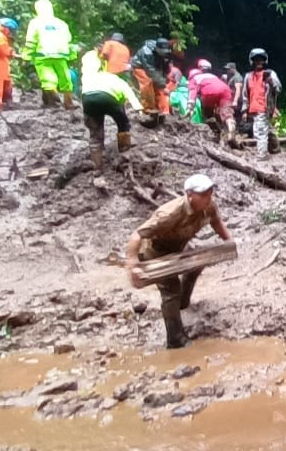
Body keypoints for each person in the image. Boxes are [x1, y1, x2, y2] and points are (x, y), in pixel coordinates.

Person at [125, 174, 231, 349]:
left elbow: (217, 222)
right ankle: (175, 338)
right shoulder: (169, 213)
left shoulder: (209, 206)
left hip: (179, 246)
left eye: (210, 192)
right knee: (170, 288)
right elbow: (137, 235)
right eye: (203, 194)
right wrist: (133, 265)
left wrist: (229, 241)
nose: (208, 197)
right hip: (155, 251)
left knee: (197, 264)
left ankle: (182, 303)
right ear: (190, 195)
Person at [79, 50, 143, 173]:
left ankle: (97, 167)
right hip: (109, 99)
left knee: (95, 134)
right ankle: (125, 153)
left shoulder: (88, 78)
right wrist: (138, 107)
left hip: (88, 99)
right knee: (123, 124)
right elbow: (128, 91)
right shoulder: (113, 77)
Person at [23, 0, 74, 109]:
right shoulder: (61, 23)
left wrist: (27, 56)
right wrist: (70, 55)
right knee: (65, 79)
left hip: (43, 55)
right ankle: (69, 103)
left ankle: (54, 104)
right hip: (61, 55)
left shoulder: (35, 23)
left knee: (48, 80)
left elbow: (31, 41)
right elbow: (68, 40)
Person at [239, 48, 282, 159]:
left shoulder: (270, 74)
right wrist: (244, 110)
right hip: (253, 107)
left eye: (261, 60)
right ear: (252, 61)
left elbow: (278, 89)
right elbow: (245, 94)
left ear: (264, 61)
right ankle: (275, 148)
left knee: (259, 131)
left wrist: (271, 82)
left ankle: (262, 154)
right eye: (256, 60)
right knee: (265, 128)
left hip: (264, 107)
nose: (259, 62)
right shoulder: (248, 76)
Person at [186, 60, 236, 145]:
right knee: (227, 113)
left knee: (207, 113)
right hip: (225, 90)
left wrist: (190, 107)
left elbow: (192, 93)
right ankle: (230, 126)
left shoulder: (194, 79)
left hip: (209, 92)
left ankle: (215, 132)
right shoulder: (214, 76)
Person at [130, 38, 172, 120]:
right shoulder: (147, 53)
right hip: (140, 66)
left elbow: (165, 67)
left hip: (155, 67)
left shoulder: (166, 53)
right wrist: (163, 85)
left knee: (159, 88)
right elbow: (151, 71)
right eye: (162, 52)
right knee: (147, 83)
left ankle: (163, 110)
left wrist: (164, 79)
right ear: (157, 49)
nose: (164, 54)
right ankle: (148, 108)